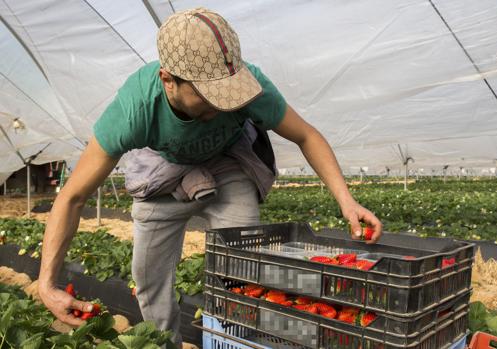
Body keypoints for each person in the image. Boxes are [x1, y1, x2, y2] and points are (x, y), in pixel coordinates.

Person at [38, 7, 382, 347]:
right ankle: (164, 342)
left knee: (244, 268)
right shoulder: (134, 109)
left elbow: (306, 135)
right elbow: (72, 197)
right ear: (168, 80)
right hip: (161, 172)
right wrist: (46, 283)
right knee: (148, 277)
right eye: (208, 96)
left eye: (229, 94)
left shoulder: (250, 86)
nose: (223, 106)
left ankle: (232, 341)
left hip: (226, 162)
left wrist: (346, 200)